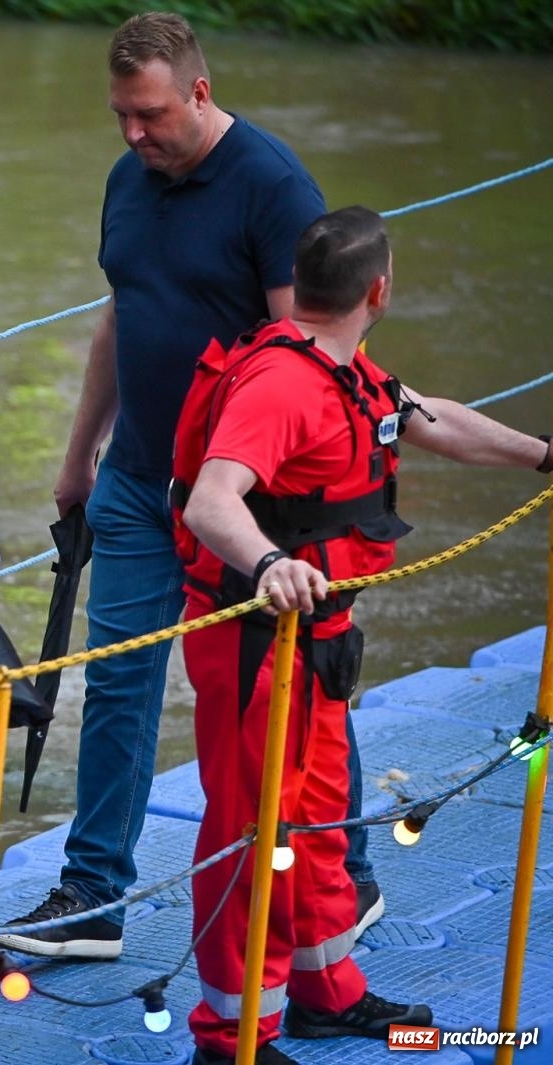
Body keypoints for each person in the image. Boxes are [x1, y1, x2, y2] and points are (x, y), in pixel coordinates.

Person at [0, 11, 386, 961]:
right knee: (119, 680)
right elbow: (118, 317)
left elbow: (313, 355)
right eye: (121, 115)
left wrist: (286, 512)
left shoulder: (274, 190)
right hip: (135, 479)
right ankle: (93, 900)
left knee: (292, 681)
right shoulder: (128, 180)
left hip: (243, 501)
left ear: (200, 94)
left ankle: (350, 874)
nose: (133, 134)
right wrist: (79, 450)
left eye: (152, 115)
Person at [177, 206, 551, 1065]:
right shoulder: (279, 385)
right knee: (255, 828)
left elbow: (431, 419)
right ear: (379, 288)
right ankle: (230, 1039)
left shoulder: (345, 370)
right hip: (256, 640)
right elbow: (211, 500)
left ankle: (322, 992)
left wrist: (545, 454)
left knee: (313, 820)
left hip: (319, 637)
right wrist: (272, 561)